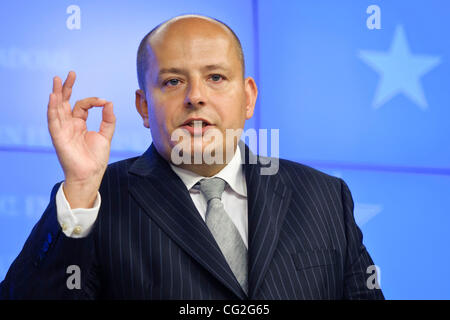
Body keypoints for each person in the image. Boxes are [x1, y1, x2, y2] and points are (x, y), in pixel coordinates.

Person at [0, 14, 384, 300]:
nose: (195, 96)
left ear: (248, 97)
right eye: (172, 81)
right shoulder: (94, 201)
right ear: (144, 106)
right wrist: (81, 190)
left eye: (216, 77)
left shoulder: (325, 198)